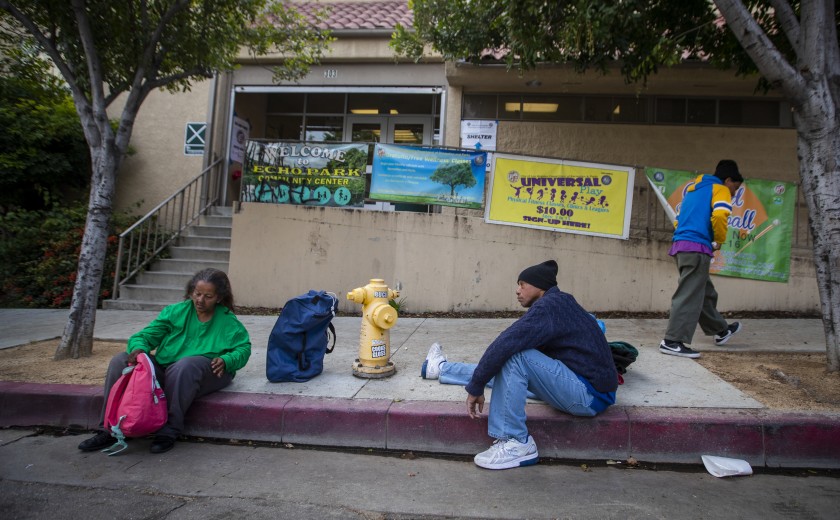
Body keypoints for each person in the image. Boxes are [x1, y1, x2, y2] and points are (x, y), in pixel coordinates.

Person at [420, 260, 618, 470]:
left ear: (539, 286)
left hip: (587, 395)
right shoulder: (561, 302)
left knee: (515, 356)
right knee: (506, 369)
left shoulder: (547, 308)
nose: (517, 291)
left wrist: (476, 386)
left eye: (522, 284)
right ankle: (441, 368)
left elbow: (506, 342)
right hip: (583, 387)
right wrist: (478, 380)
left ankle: (516, 442)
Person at [78, 268, 251, 454]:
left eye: (208, 296)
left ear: (218, 297)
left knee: (185, 365)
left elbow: (243, 348)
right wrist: (139, 350)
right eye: (197, 294)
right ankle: (110, 428)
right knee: (120, 360)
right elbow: (145, 336)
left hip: (208, 371)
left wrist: (226, 360)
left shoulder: (227, 321)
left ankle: (169, 430)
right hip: (169, 369)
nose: (200, 300)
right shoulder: (175, 312)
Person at [659, 160, 745, 359]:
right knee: (689, 295)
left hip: (682, 246)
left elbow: (678, 218)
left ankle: (721, 330)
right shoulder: (720, 189)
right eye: (735, 187)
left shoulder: (693, 189)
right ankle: (672, 341)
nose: (734, 193)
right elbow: (721, 215)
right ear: (728, 179)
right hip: (697, 247)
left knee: (704, 291)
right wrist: (719, 240)